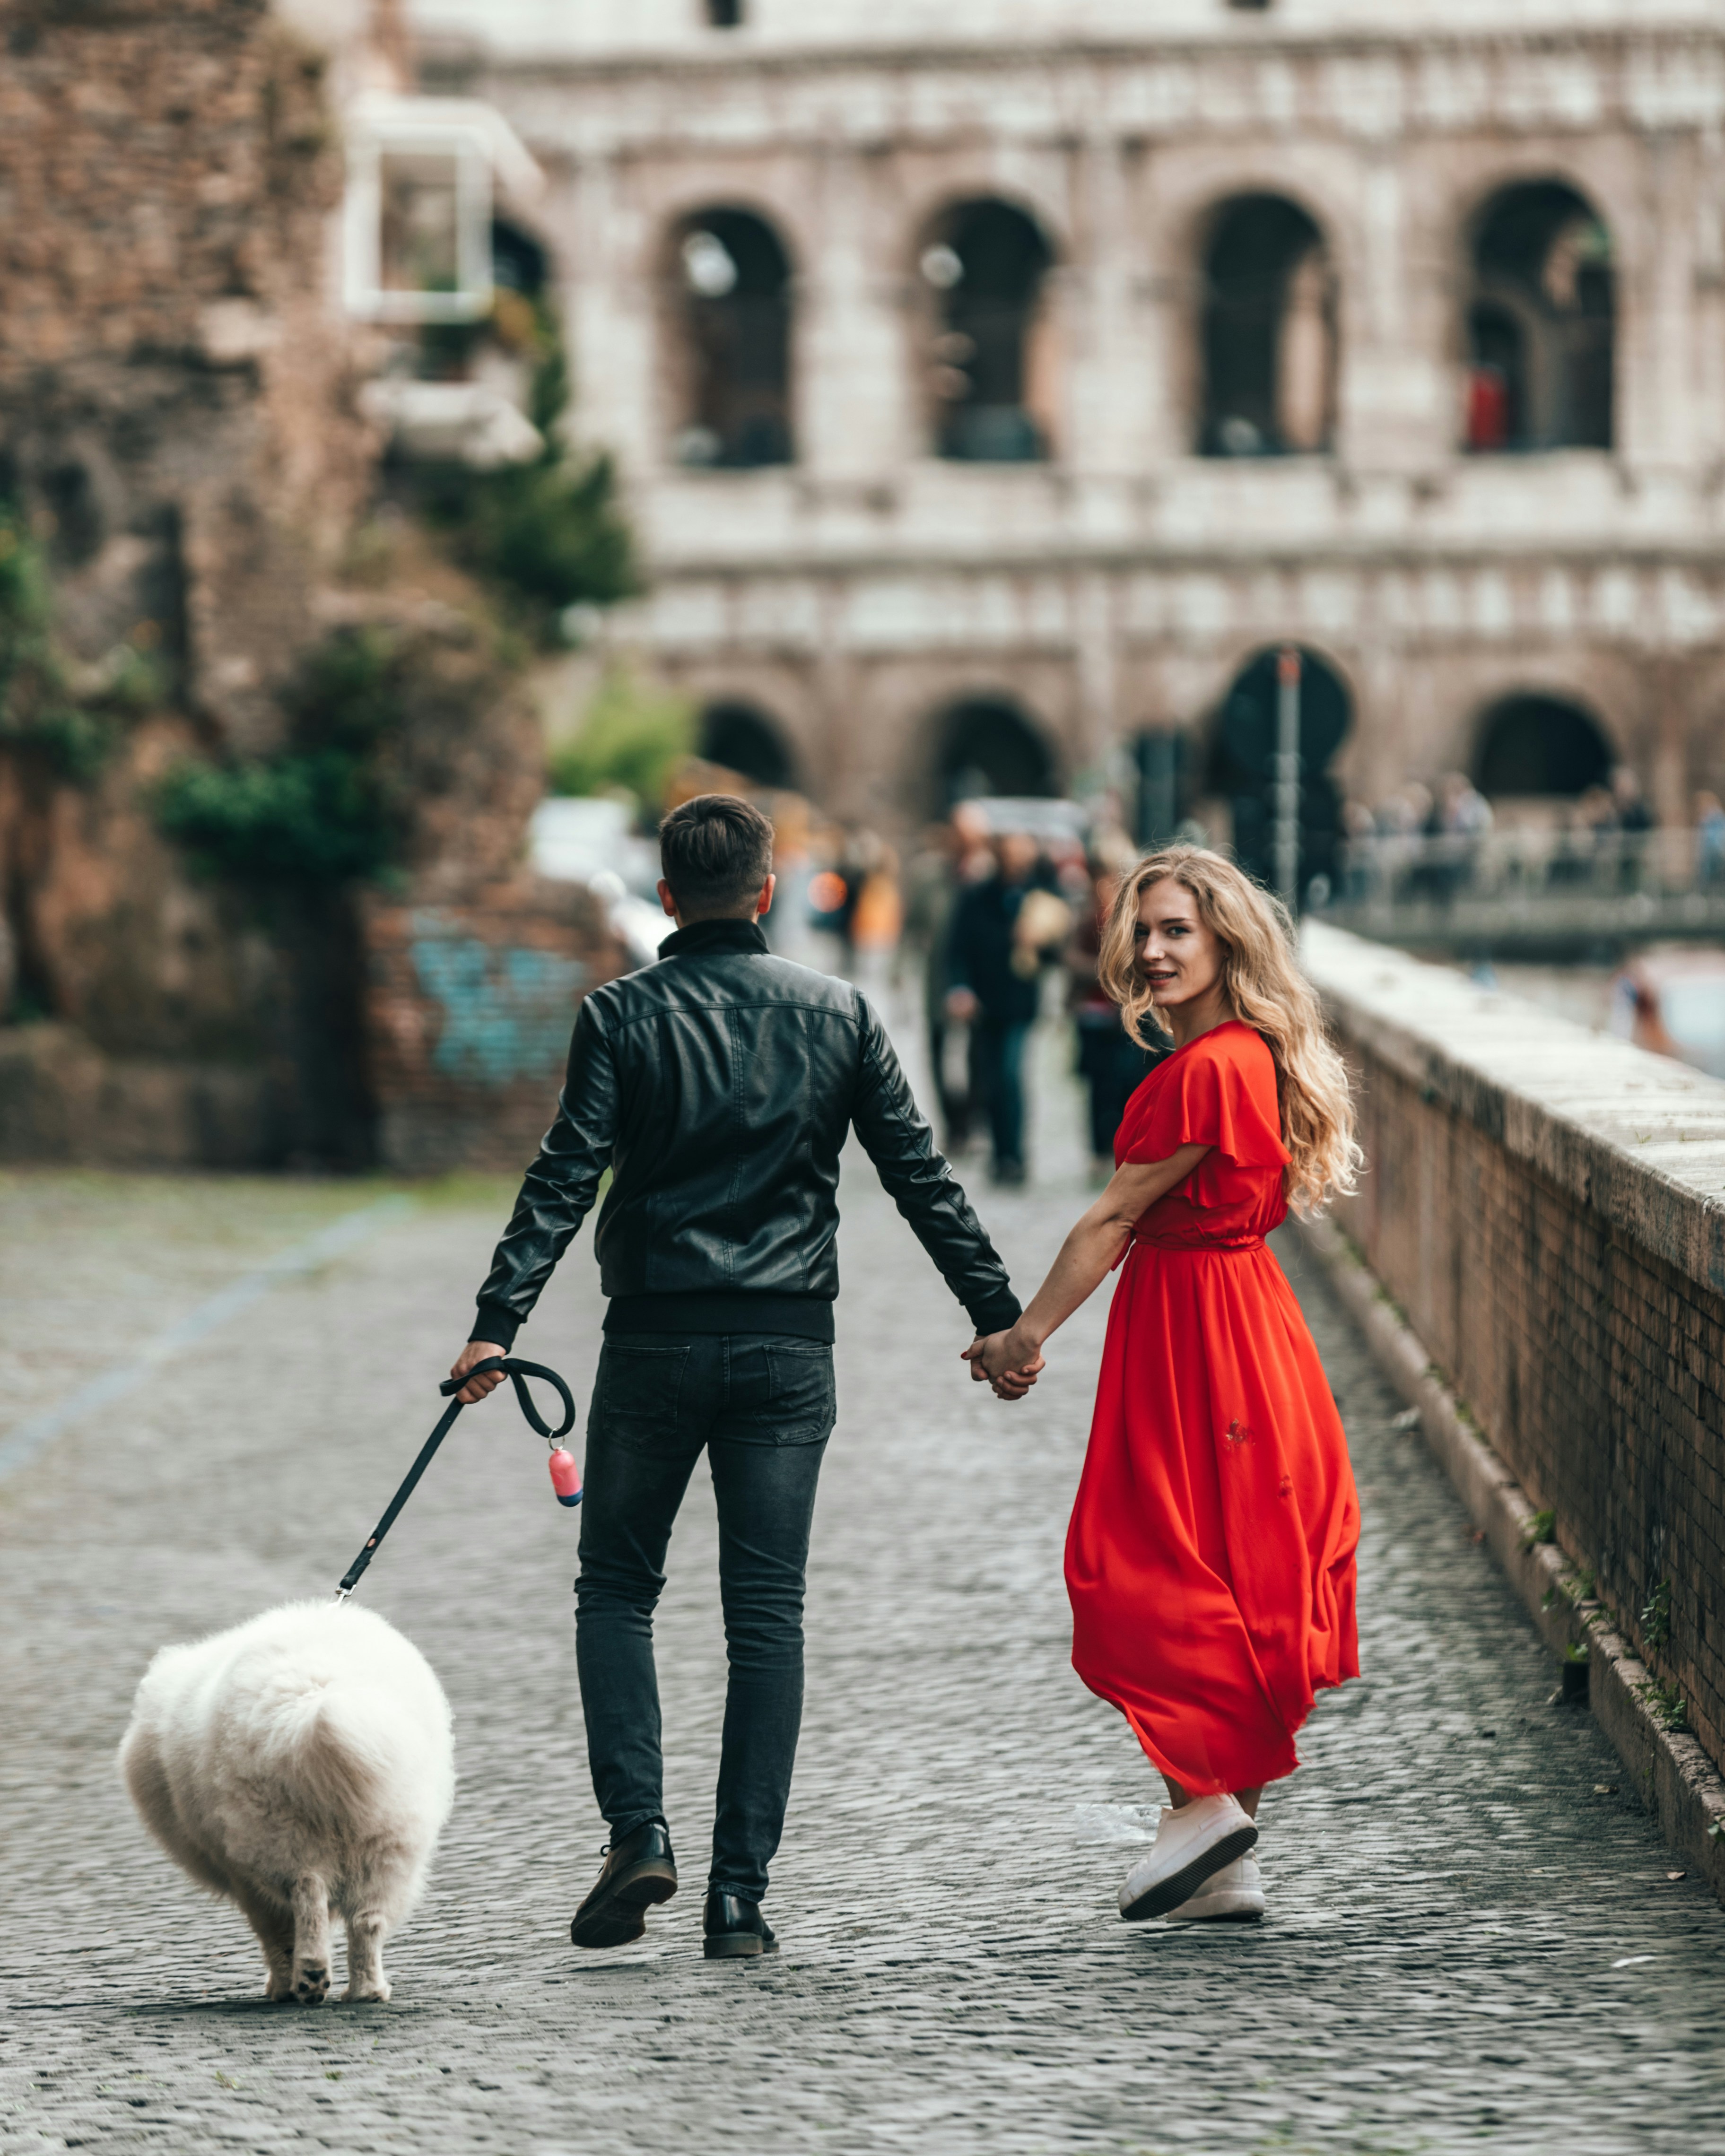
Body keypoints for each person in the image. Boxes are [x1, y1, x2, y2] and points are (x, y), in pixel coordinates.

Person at [449, 795, 1023, 1960]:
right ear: (767, 891)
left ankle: (637, 1833)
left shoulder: (619, 1014)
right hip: (786, 1348)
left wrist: (495, 1324)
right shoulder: (840, 1013)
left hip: (654, 1340)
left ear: (668, 897)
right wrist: (998, 1316)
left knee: (618, 1589)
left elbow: (565, 1176)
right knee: (767, 1615)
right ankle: (737, 1898)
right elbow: (918, 1176)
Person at [967, 844, 1362, 1926]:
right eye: (1142, 931)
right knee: (1234, 1565)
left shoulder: (1204, 1071)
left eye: (1177, 930)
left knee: (1145, 1558)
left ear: (1227, 941)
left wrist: (1022, 1337)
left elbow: (1111, 1221)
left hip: (1197, 1334)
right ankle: (1219, 1854)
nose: (1151, 950)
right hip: (1247, 1325)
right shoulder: (1248, 1057)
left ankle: (1201, 1809)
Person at [945, 829, 1065, 1186]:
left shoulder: (1039, 897)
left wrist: (1039, 943)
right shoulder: (977, 896)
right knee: (990, 1080)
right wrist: (961, 988)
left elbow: (1056, 954)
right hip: (984, 1003)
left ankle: (1015, 1154)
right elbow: (958, 948)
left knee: (1011, 1075)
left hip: (1019, 1003)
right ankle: (1000, 1155)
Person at [1066, 851, 1168, 1181]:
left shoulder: (1131, 922)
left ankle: (1124, 1149)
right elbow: (1071, 959)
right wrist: (1098, 970)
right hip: (1094, 1015)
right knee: (1099, 1088)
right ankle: (1100, 1151)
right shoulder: (1085, 920)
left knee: (1127, 1085)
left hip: (1125, 1017)